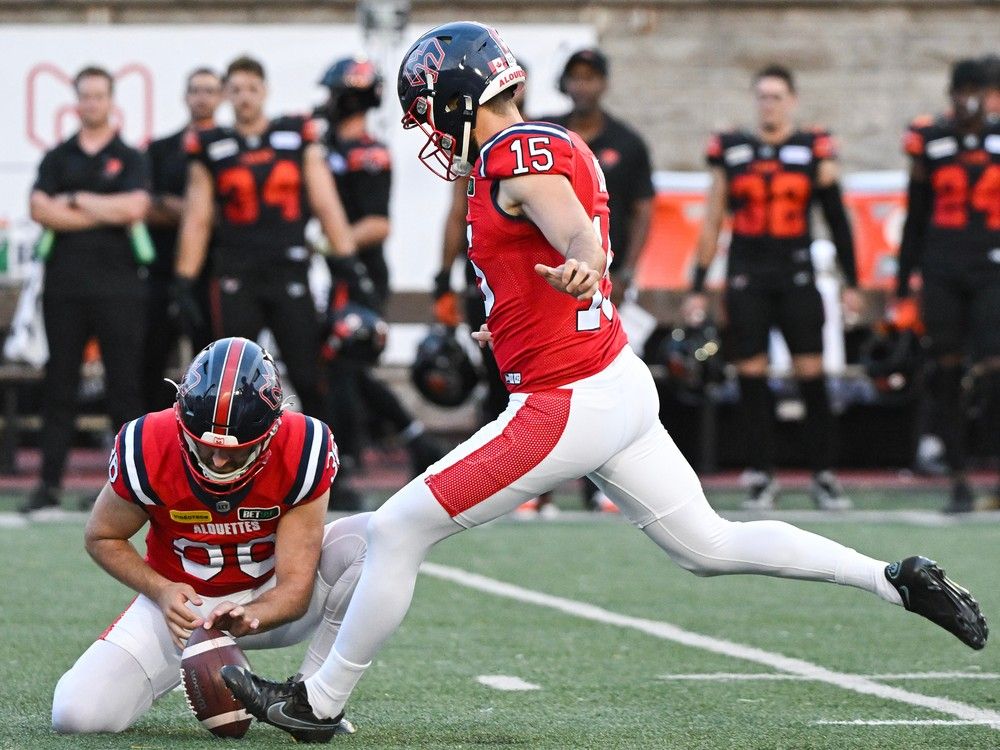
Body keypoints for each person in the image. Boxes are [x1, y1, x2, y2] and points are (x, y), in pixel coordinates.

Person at [221, 23, 987, 742]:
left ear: (455, 100)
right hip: (615, 380)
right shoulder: (554, 139)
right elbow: (543, 248)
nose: (428, 129)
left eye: (428, 112)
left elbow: (572, 230)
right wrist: (520, 313)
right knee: (710, 544)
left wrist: (585, 259)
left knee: (397, 529)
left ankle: (319, 701)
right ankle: (893, 579)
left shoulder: (511, 155)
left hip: (567, 400)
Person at [50, 337, 364, 740]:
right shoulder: (149, 443)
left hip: (267, 599)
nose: (217, 460)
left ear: (270, 432)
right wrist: (161, 590)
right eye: (202, 443)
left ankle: (312, 701)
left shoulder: (301, 446)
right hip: (182, 611)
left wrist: (252, 616)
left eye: (236, 452)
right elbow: (102, 536)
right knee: (76, 714)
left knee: (371, 539)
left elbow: (295, 591)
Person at [685, 64, 862, 511]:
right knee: (751, 376)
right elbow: (713, 217)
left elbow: (838, 219)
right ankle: (762, 474)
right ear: (755, 101)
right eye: (762, 96)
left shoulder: (812, 148)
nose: (769, 103)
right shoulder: (732, 150)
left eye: (777, 96)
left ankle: (823, 474)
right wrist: (698, 284)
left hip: (797, 272)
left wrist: (851, 281)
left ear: (792, 101)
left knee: (811, 374)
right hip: (748, 275)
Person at [174, 56, 356, 420]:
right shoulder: (211, 144)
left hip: (288, 268)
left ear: (265, 91)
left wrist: (347, 261)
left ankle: (325, 451)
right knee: (230, 374)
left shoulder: (295, 134)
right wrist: (184, 280)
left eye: (252, 89)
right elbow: (197, 218)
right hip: (235, 271)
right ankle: (230, 450)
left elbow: (326, 203)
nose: (245, 97)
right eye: (237, 90)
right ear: (226, 95)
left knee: (307, 370)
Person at [22, 66, 151, 513]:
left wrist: (75, 200)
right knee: (60, 383)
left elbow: (135, 206)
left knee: (124, 389)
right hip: (65, 287)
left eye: (99, 96)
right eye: (85, 97)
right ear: (76, 103)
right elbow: (39, 209)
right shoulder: (58, 157)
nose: (92, 103)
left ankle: (132, 488)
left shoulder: (130, 157)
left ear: (111, 101)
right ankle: (49, 485)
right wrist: (104, 209)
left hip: (119, 289)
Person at [315, 56, 443, 497]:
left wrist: (328, 240)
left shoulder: (368, 152)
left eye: (335, 95)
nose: (328, 103)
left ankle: (348, 458)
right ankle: (414, 439)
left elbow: (377, 224)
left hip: (360, 272)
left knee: (347, 366)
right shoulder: (326, 143)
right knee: (341, 367)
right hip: (336, 272)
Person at [896, 58, 1000, 513]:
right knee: (945, 371)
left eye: (984, 89)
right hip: (942, 268)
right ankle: (958, 476)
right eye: (968, 89)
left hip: (993, 267)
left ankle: (993, 466)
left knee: (995, 369)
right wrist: (903, 277)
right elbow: (916, 212)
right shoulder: (930, 139)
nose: (975, 99)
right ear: (953, 94)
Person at [142, 67, 222, 411]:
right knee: (151, 359)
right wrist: (197, 210)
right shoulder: (160, 149)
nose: (202, 97)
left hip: (213, 273)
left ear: (220, 97)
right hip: (162, 271)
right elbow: (145, 206)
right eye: (196, 90)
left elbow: (229, 214)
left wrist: (180, 208)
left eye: (209, 90)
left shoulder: (228, 146)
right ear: (185, 96)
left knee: (212, 361)